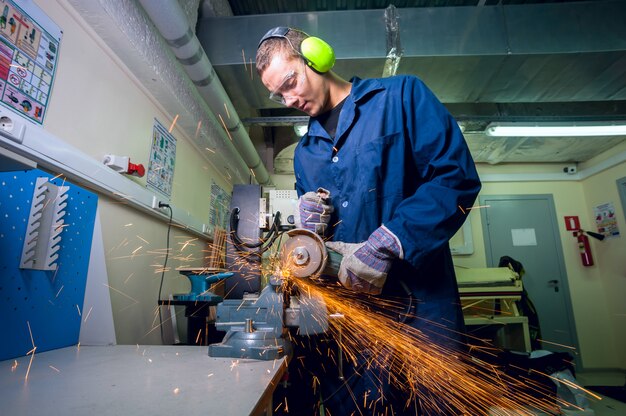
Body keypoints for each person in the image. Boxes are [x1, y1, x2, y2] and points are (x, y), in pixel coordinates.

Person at [256, 27, 481, 415]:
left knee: (436, 404)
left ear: (316, 57)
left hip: (422, 308)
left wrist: (392, 240)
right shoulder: (305, 154)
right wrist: (312, 228)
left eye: (291, 83)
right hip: (354, 320)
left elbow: (455, 178)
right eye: (279, 95)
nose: (289, 99)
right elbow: (320, 246)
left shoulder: (402, 98)